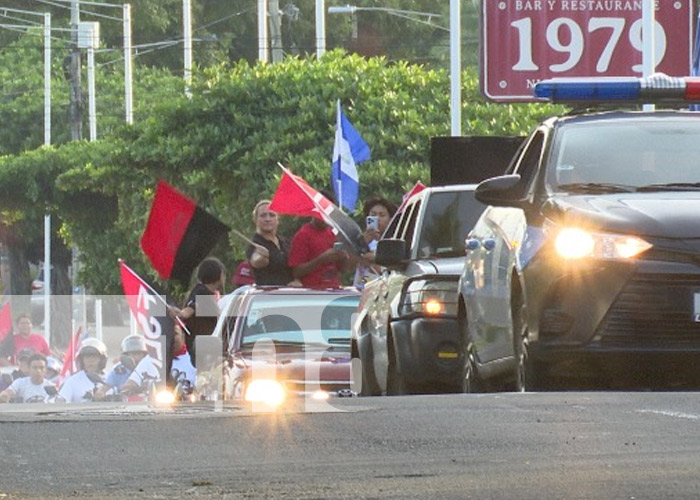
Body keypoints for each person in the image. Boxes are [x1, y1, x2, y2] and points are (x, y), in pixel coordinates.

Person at [170, 257, 226, 368]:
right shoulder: (202, 293)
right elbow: (191, 309)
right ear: (218, 275)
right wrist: (179, 313)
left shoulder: (205, 292)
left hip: (204, 349)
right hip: (202, 352)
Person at [287, 192, 348, 289]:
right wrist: (321, 259)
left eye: (328, 211)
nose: (325, 216)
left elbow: (342, 270)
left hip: (333, 289)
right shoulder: (303, 235)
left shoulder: (332, 234)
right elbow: (296, 272)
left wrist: (343, 258)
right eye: (321, 210)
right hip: (313, 293)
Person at [245, 200, 295, 286]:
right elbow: (256, 261)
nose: (268, 219)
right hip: (268, 296)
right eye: (263, 215)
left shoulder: (285, 241)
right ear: (255, 219)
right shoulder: (254, 243)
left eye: (272, 215)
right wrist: (261, 256)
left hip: (289, 294)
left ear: (277, 219)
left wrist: (297, 279)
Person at [353, 197, 397, 288]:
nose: (377, 218)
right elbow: (349, 266)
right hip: (361, 289)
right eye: (373, 215)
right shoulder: (360, 239)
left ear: (390, 219)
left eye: (382, 215)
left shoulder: (394, 241)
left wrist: (375, 259)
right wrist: (362, 244)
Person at [57, 338, 108, 403]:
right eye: (87, 357)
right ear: (81, 360)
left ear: (102, 359)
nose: (90, 360)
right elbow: (61, 402)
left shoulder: (111, 380)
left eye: (94, 356)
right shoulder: (73, 381)